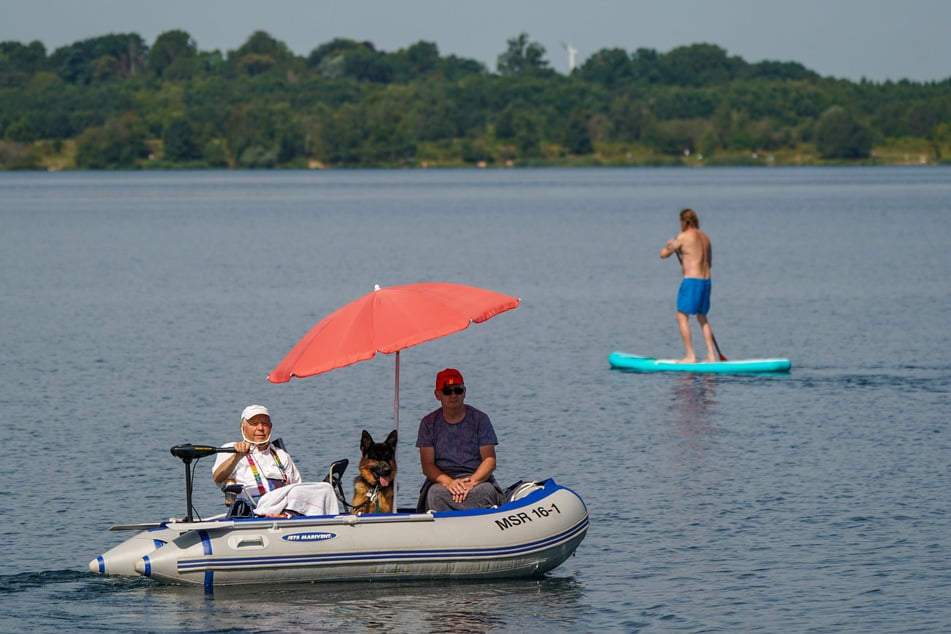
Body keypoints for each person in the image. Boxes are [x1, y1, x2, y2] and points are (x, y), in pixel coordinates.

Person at [212, 404, 339, 517]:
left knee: (325, 488)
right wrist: (237, 457)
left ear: (270, 427)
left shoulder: (281, 454)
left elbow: (298, 486)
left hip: (283, 503)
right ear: (243, 428)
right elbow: (218, 479)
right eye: (254, 424)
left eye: (265, 423)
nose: (260, 428)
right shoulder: (231, 449)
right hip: (252, 507)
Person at [415, 368, 503, 511]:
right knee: (435, 494)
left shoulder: (480, 419)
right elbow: (427, 465)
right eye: (447, 391)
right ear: (437, 395)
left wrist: (471, 483)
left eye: (458, 390)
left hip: (476, 480)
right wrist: (450, 483)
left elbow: (490, 460)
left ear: (465, 392)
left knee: (485, 492)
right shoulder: (428, 423)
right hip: (442, 481)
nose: (453, 395)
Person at [660, 208, 719, 363]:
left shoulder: (683, 236)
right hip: (706, 281)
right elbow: (708, 262)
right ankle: (711, 356)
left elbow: (663, 254)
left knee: (681, 317)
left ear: (685, 222)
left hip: (692, 281)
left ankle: (690, 356)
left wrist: (671, 244)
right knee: (702, 317)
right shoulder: (705, 237)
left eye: (680, 222)